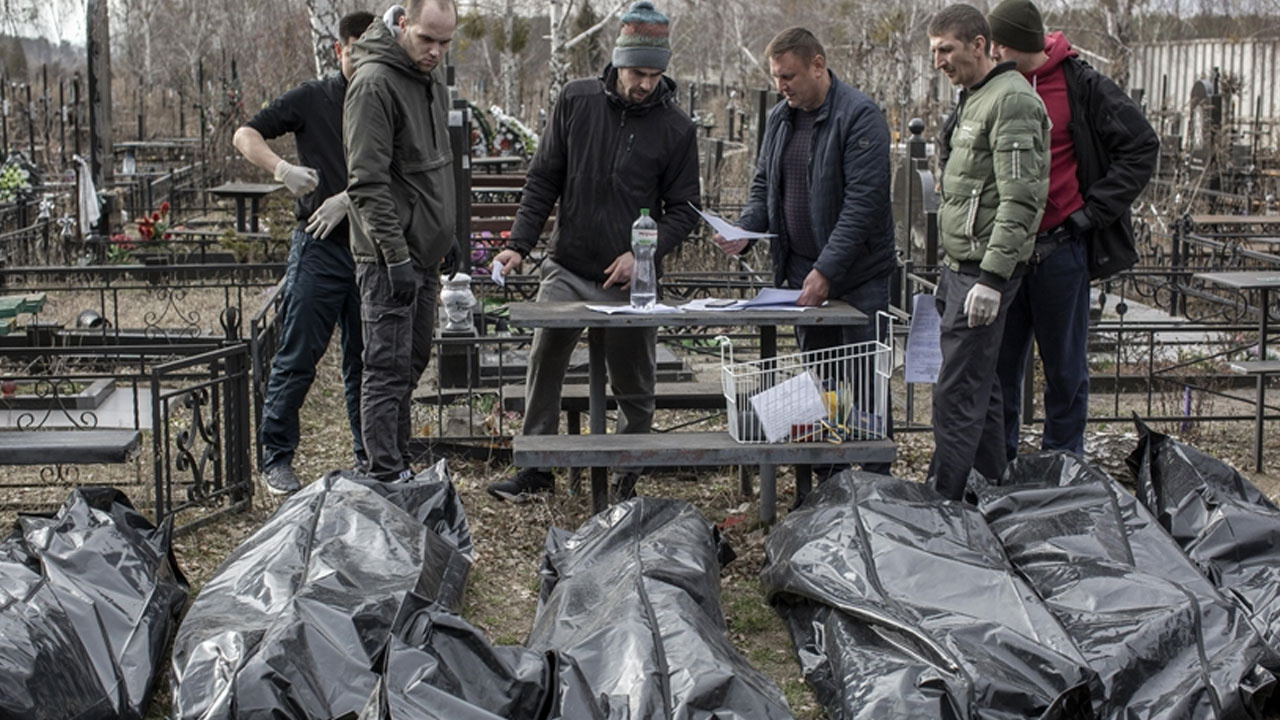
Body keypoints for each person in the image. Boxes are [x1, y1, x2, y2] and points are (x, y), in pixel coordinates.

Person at [486, 0, 700, 502]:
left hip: (633, 277)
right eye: (636, 71)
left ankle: (628, 469)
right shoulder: (576, 101)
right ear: (617, 61)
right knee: (545, 354)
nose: (644, 83)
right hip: (570, 262)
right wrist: (518, 244)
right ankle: (537, 468)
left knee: (635, 379)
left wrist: (641, 257)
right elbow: (544, 180)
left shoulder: (676, 129)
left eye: (654, 73)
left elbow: (685, 210)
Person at [712, 27, 896, 476]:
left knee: (866, 387)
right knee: (821, 385)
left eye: (789, 75)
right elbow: (765, 187)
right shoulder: (780, 118)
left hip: (857, 277)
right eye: (776, 77)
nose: (782, 86)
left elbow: (862, 205)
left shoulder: (859, 116)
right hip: (800, 276)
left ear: (819, 65)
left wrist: (827, 270)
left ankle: (875, 491)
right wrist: (746, 229)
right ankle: (827, 487)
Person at [987, 0, 1159, 460]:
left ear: (1014, 45)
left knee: (1064, 370)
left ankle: (1062, 464)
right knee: (1000, 367)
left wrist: (1091, 212)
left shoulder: (1082, 84)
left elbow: (1141, 146)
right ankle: (1000, 466)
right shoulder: (994, 85)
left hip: (1061, 247)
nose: (991, 52)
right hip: (1005, 251)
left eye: (997, 44)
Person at [233, 11, 375, 494]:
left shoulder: (387, 100)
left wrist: (351, 201)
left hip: (370, 249)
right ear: (341, 50)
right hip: (319, 246)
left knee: (366, 360)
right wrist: (281, 169)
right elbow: (245, 134)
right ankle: (276, 457)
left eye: (373, 48)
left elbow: (404, 174)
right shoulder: (314, 99)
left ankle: (369, 456)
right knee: (297, 355)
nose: (363, 57)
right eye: (355, 49)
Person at [926, 3, 1049, 501]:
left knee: (955, 393)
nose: (938, 62)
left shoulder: (1011, 101)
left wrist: (993, 279)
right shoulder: (977, 95)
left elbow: (1021, 198)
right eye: (934, 51)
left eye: (946, 50)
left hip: (982, 271)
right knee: (985, 388)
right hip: (962, 267)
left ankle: (944, 501)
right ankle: (990, 490)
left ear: (979, 45)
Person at [344, 0, 459, 482]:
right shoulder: (374, 83)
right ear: (403, 23)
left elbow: (434, 166)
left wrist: (446, 233)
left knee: (409, 366)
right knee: (386, 370)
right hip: (389, 256)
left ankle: (398, 463)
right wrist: (394, 258)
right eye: (426, 39)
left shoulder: (428, 78)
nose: (435, 51)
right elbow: (367, 182)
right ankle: (383, 475)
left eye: (445, 42)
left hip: (425, 253)